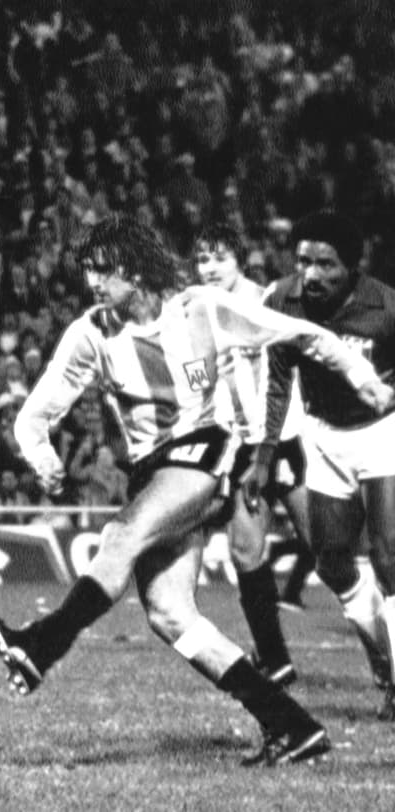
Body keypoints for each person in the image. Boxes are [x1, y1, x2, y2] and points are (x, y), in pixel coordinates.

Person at [0, 214, 392, 767]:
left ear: (132, 268)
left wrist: (360, 376)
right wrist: (44, 459)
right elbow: (35, 415)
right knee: (171, 614)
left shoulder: (201, 308)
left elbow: (301, 334)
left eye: (102, 272)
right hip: (152, 472)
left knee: (121, 535)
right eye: (89, 274)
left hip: (206, 450)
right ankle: (292, 725)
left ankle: (40, 643)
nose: (93, 284)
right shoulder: (90, 335)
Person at [260, 210, 395, 718]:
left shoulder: (385, 307)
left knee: (389, 559)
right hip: (323, 435)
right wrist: (266, 450)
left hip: (384, 432)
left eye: (324, 264)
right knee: (332, 562)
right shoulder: (284, 301)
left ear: (353, 267)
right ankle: (383, 660)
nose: (311, 275)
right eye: (302, 262)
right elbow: (275, 379)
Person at [194, 222, 313, 687]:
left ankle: (384, 665)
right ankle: (275, 658)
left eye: (219, 258)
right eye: (202, 260)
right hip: (243, 446)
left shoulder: (265, 303)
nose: (209, 268)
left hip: (284, 440)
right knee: (245, 550)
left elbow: (294, 362)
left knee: (329, 553)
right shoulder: (203, 311)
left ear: (238, 261)